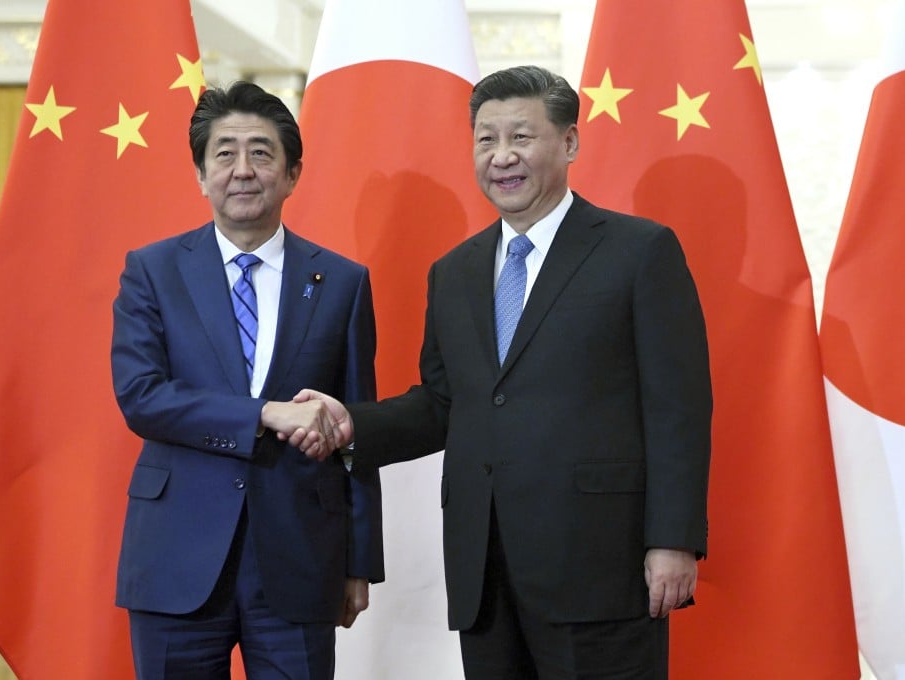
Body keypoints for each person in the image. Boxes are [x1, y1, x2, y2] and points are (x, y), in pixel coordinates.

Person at [297, 65, 712, 679]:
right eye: (486, 139)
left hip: (600, 568)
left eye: (521, 136)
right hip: (484, 571)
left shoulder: (638, 251)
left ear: (569, 142)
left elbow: (678, 407)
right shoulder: (455, 271)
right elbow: (443, 405)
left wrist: (673, 539)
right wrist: (348, 423)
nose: (501, 156)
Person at [110, 80, 384, 680]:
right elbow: (142, 397)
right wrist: (264, 413)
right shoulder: (152, 271)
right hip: (176, 558)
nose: (242, 170)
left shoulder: (341, 282)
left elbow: (355, 428)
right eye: (224, 153)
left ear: (292, 174)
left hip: (301, 558)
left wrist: (360, 561)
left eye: (261, 152)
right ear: (200, 175)